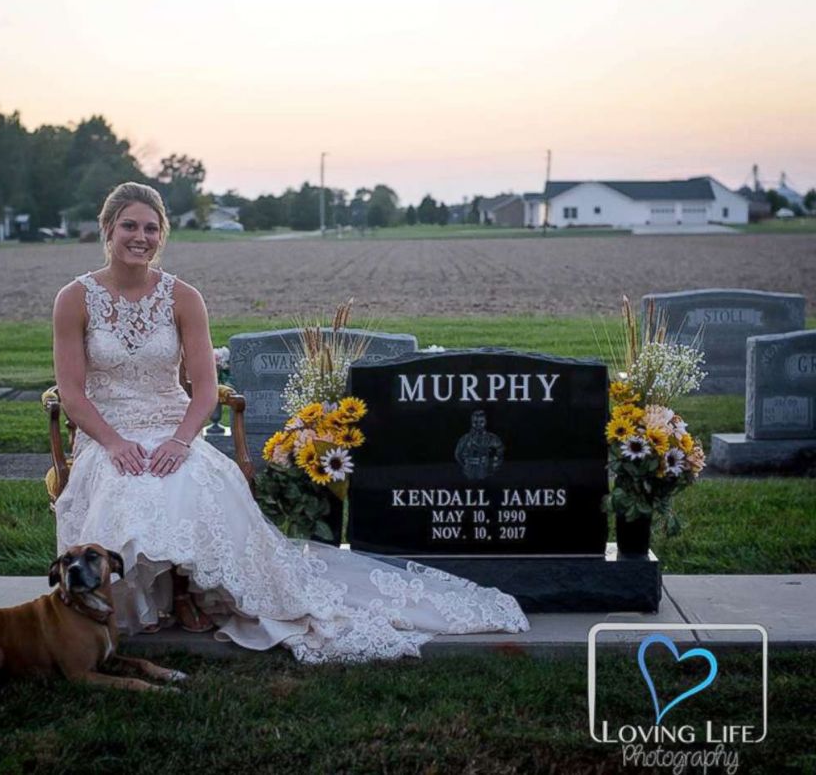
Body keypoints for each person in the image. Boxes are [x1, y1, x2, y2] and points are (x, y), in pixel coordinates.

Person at [53, 182, 529, 664]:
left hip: (173, 426)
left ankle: (190, 592)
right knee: (127, 486)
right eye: (130, 226)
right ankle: (136, 600)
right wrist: (113, 444)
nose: (141, 236)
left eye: (151, 228)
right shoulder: (74, 299)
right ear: (108, 228)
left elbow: (205, 390)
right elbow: (71, 391)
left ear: (163, 236)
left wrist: (181, 440)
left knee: (191, 477)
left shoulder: (183, 297)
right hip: (110, 432)